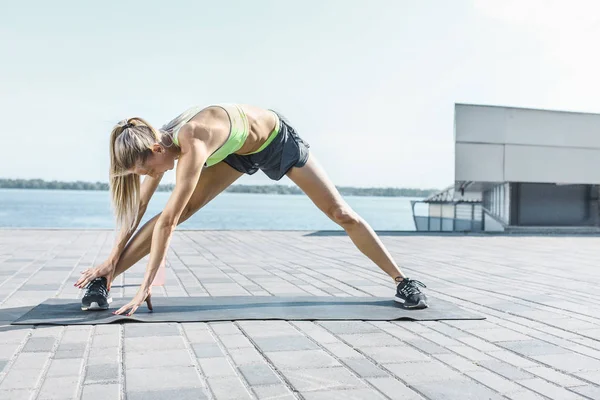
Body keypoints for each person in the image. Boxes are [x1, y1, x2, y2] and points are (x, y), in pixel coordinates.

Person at [74, 104, 428, 315]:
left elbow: (167, 224)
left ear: (155, 149)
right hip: (237, 151)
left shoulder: (191, 141)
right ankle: (103, 284)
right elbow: (138, 210)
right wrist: (109, 260)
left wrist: (145, 286)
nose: (152, 176)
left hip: (274, 140)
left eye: (149, 170)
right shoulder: (158, 146)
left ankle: (403, 280)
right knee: (177, 210)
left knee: (340, 213)